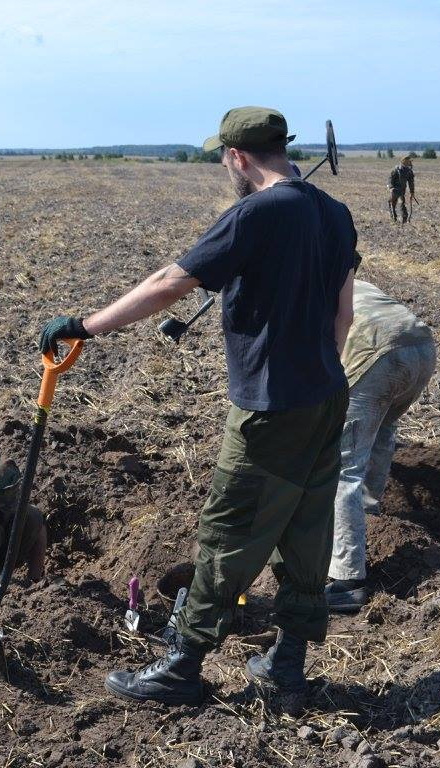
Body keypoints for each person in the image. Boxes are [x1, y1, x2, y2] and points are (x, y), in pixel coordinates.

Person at [39, 106, 357, 709]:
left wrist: (84, 326)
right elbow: (344, 314)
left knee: (228, 530)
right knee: (306, 531)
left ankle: (182, 667)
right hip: (325, 395)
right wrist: (315, 373)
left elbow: (170, 282)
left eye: (223, 156)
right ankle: (288, 663)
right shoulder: (335, 214)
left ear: (236, 156)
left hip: (271, 407)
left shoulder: (256, 212)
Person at [327, 279, 436, 612]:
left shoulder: (301, 290)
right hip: (421, 348)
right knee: (382, 430)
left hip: (375, 350)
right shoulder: (350, 280)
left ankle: (347, 581)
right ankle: (370, 518)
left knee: (343, 468)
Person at [387, 156, 417, 223]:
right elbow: (390, 179)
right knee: (393, 203)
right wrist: (391, 187)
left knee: (400, 204)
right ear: (404, 161)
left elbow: (411, 182)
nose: (410, 163)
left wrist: (412, 192)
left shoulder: (409, 171)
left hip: (401, 191)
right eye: (409, 161)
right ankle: (395, 219)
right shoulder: (397, 169)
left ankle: (402, 219)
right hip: (394, 190)